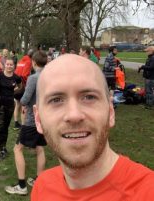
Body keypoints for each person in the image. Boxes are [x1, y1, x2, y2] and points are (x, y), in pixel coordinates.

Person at [31, 54, 154, 200]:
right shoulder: (42, 187)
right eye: (56, 100)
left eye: (89, 97)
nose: (74, 115)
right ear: (38, 119)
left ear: (111, 112)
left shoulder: (146, 192)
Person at [5, 51, 47, 196]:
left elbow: (26, 98)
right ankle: (39, 179)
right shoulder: (49, 76)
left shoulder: (34, 78)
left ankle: (21, 186)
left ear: (34, 63)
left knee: (18, 149)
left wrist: (18, 99)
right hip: (44, 119)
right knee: (40, 148)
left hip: (31, 120)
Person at [0, 58, 22, 160]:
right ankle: (1, 150)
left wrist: (15, 92)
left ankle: (4, 147)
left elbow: (20, 87)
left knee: (5, 127)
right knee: (0, 128)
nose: (9, 66)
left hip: (10, 105)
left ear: (14, 66)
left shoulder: (16, 77)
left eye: (11, 65)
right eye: (7, 64)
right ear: (4, 65)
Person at [13, 49, 34, 130]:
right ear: (32, 56)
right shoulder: (29, 62)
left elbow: (16, 72)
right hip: (22, 86)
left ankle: (16, 123)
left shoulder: (21, 60)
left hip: (16, 85)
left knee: (17, 104)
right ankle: (23, 125)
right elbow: (25, 75)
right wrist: (27, 84)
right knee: (24, 105)